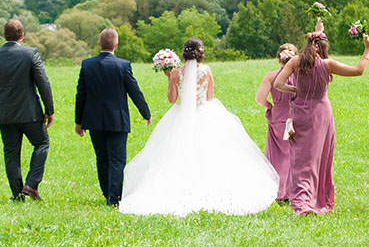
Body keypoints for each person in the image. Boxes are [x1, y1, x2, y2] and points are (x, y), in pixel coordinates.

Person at [120, 37, 278, 216]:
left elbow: (172, 100)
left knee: (173, 152)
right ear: (201, 54)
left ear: (183, 53)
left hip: (179, 117)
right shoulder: (207, 70)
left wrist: (172, 81)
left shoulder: (175, 73)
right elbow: (210, 96)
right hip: (204, 112)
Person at [274, 21, 369, 215]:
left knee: (301, 158)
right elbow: (359, 70)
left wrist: (293, 89)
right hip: (321, 114)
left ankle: (302, 202)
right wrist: (368, 49)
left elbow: (278, 83)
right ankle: (311, 202)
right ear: (324, 47)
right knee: (320, 157)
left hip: (300, 112)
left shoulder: (295, 61)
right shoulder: (328, 65)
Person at [75, 27, 152, 206]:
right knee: (117, 160)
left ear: (99, 44)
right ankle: (114, 197)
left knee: (102, 158)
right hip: (117, 120)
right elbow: (134, 91)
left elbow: (81, 95)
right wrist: (145, 112)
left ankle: (107, 192)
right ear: (116, 45)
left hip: (94, 120)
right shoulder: (123, 65)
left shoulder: (87, 64)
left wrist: (79, 122)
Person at [0, 19, 54, 201]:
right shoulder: (30, 54)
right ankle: (31, 184)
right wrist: (49, 109)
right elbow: (43, 82)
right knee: (42, 143)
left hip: (3, 113)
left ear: (4, 35)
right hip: (29, 113)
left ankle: (17, 195)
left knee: (11, 153)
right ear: (23, 35)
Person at [255, 43, 298, 201]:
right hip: (298, 115)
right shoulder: (301, 75)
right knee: (295, 154)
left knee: (278, 155)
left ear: (278, 59)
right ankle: (295, 190)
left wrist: (270, 106)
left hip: (278, 116)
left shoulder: (271, 76)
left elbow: (259, 99)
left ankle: (278, 190)